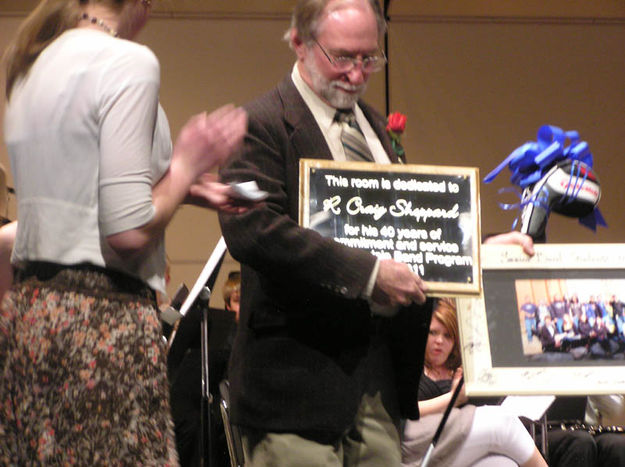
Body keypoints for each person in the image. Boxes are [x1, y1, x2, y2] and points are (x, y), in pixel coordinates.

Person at [0, 0, 247, 464]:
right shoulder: (127, 61)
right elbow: (129, 231)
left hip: (33, 318)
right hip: (99, 324)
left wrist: (184, 188)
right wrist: (188, 161)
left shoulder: (35, 62)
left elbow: (76, 197)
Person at [218, 0, 431, 465]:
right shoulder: (255, 124)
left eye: (369, 59)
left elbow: (414, 229)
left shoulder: (375, 125)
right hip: (293, 390)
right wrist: (370, 274)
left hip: (376, 384)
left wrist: (481, 252)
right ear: (298, 42)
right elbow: (251, 229)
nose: (357, 75)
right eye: (342, 58)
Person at [401, 298, 548, 467]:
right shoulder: (412, 369)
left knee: (503, 464)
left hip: (455, 441)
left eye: (447, 335)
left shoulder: (459, 370)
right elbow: (406, 411)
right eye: (433, 333)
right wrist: (453, 399)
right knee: (504, 424)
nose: (439, 341)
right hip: (417, 442)